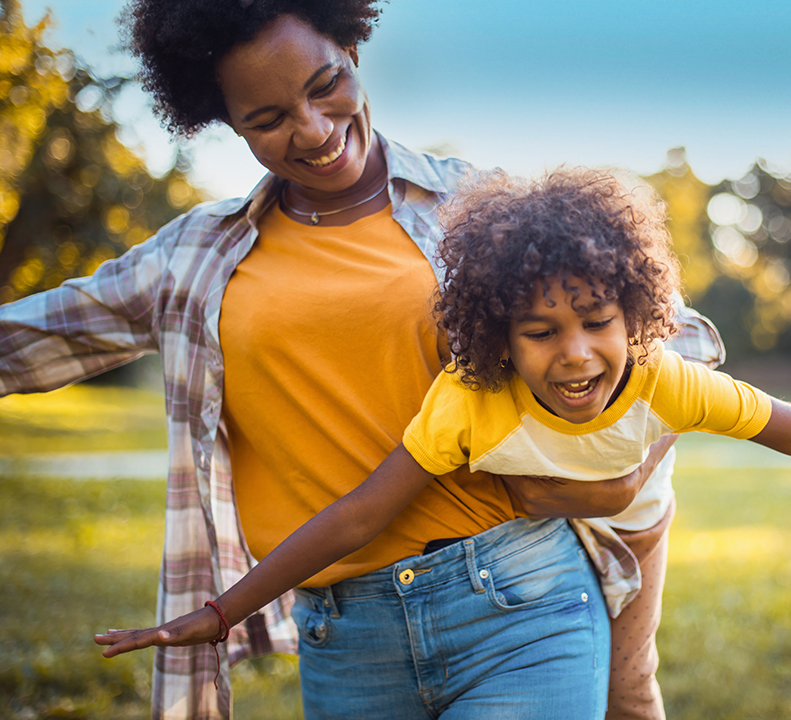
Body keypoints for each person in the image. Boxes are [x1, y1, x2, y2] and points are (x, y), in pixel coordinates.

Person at [95, 168, 791, 716]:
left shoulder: (662, 376)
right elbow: (356, 515)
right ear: (495, 336)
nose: (577, 354)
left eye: (595, 320)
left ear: (633, 313)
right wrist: (220, 613)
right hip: (524, 537)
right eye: (540, 332)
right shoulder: (472, 402)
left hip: (634, 525)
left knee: (634, 698)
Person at [0, 3, 724, 719]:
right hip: (343, 639)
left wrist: (617, 466)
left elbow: (681, 340)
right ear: (225, 120)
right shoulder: (193, 257)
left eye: (325, 86)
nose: (313, 131)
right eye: (267, 119)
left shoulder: (473, 205)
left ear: (354, 47)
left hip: (516, 597)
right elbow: (33, 338)